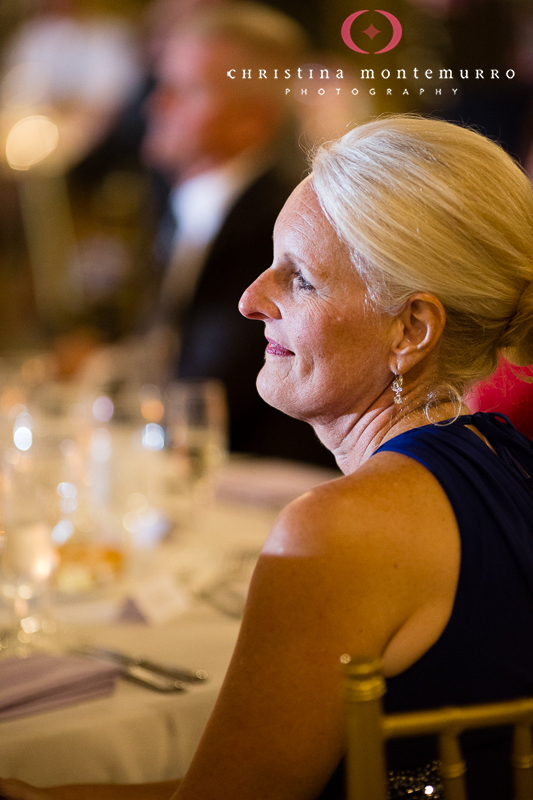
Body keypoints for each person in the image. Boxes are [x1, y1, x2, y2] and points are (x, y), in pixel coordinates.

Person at [2, 115, 533, 800]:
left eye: (301, 279)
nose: (252, 300)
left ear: (411, 329)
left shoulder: (338, 532)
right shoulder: (508, 460)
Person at [76, 2, 334, 466]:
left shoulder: (284, 227)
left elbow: (215, 395)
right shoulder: (183, 203)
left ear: (251, 119)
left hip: (262, 479)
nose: (157, 104)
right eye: (160, 84)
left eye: (186, 90)